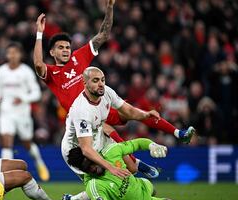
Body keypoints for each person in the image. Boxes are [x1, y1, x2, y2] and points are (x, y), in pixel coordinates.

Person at [33, 0, 195, 179]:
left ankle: (178, 133)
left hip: (100, 103)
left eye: (67, 47)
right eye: (60, 48)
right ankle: (137, 165)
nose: (65, 50)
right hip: (86, 115)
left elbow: (103, 34)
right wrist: (39, 34)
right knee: (111, 135)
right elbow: (38, 64)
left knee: (136, 112)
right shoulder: (52, 73)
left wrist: (109, 8)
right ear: (52, 53)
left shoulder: (79, 57)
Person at [61, 67, 164, 200]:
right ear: (85, 83)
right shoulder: (82, 111)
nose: (101, 84)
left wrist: (145, 114)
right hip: (78, 152)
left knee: (131, 169)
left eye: (102, 80)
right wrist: (111, 168)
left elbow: (129, 111)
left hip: (97, 137)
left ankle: (73, 199)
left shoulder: (106, 92)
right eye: (96, 80)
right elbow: (86, 149)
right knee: (101, 184)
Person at [0, 42, 50, 181]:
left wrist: (23, 98)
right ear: (6, 55)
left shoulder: (26, 71)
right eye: (9, 52)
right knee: (6, 142)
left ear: (20, 55)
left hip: (22, 113)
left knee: (27, 143)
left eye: (15, 52)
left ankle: (39, 161)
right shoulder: (1, 71)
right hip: (6, 112)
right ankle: (6, 176)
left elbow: (36, 93)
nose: (12, 55)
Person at [67, 138, 181, 200]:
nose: (92, 168)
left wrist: (152, 145)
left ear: (93, 155)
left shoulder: (111, 151)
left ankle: (72, 199)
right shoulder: (93, 185)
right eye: (87, 169)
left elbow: (137, 143)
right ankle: (73, 199)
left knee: (151, 187)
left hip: (141, 186)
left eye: (91, 163)